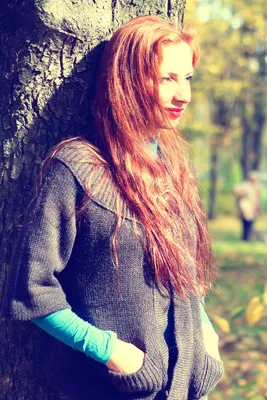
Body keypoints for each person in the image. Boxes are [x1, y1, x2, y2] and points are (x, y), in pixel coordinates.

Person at [1, 16, 223, 400]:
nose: (184, 94)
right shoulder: (77, 167)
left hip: (184, 388)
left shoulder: (174, 170)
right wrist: (110, 351)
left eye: (187, 78)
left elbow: (181, 269)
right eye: (167, 78)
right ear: (129, 79)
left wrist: (206, 338)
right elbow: (31, 287)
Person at [233, 171, 261, 241]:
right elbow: (235, 190)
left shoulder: (257, 187)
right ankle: (245, 237)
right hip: (246, 207)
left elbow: (257, 198)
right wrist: (241, 196)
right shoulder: (245, 186)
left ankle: (249, 237)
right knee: (246, 222)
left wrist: (257, 206)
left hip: (252, 207)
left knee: (251, 223)